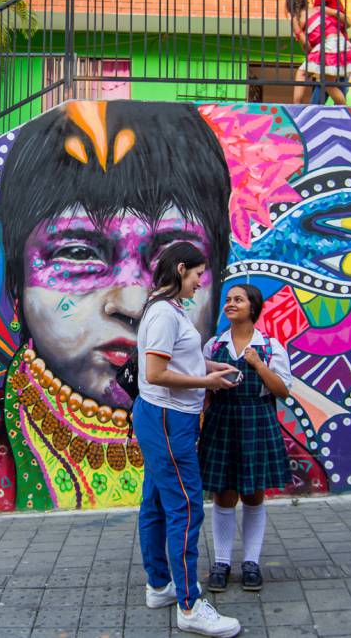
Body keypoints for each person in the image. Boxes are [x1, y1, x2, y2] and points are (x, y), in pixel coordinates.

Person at [0, 101, 235, 520]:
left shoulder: (252, 444)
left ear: (215, 277)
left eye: (176, 263)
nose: (132, 305)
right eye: (78, 254)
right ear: (17, 287)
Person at [135, 241, 242, 637]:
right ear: (181, 269)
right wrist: (206, 382)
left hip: (161, 417)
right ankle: (189, 605)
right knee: (185, 507)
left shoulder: (165, 307)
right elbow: (156, 373)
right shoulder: (165, 314)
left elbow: (175, 360)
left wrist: (211, 367)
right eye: (198, 274)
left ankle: (160, 585)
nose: (200, 282)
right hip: (168, 419)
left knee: (156, 503)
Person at [198, 283, 293, 593]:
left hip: (257, 420)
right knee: (224, 495)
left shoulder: (270, 347)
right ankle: (221, 562)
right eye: (228, 299)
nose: (230, 304)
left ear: (253, 307)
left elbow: (282, 390)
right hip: (222, 420)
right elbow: (203, 388)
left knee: (253, 495)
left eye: (238, 299)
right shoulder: (214, 346)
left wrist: (258, 364)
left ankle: (251, 562)